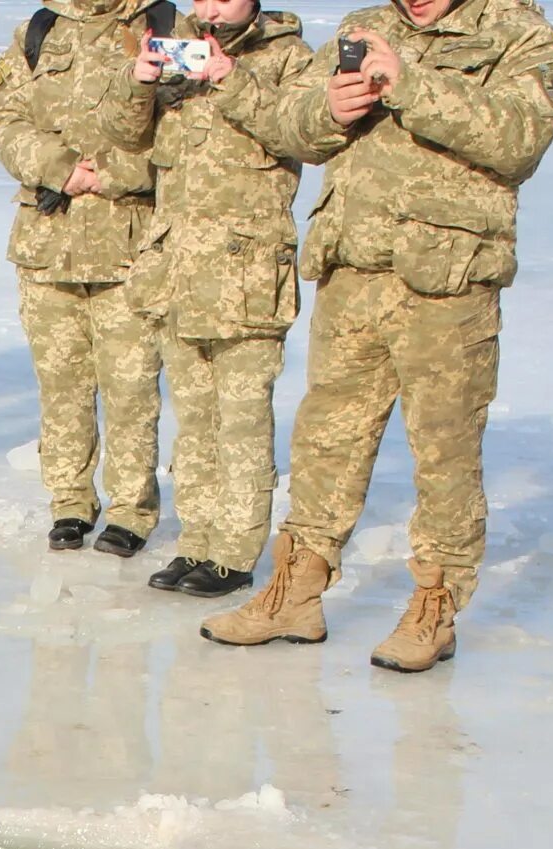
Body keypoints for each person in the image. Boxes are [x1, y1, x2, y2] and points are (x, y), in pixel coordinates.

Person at [199, 0, 553, 673]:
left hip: (448, 280)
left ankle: (434, 609)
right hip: (354, 269)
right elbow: (294, 127)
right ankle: (294, 595)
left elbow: (518, 142)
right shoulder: (363, 25)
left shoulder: (518, 32)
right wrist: (329, 111)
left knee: (445, 453)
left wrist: (410, 84)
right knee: (324, 441)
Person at [136, 0, 313, 598]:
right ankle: (196, 541)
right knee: (194, 420)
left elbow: (308, 134)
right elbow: (121, 136)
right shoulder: (170, 49)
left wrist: (232, 81)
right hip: (178, 270)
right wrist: (138, 84)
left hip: (246, 272)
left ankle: (234, 554)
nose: (211, 8)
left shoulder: (288, 56)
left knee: (240, 420)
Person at [0, 0, 168, 556]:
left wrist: (106, 174)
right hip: (48, 237)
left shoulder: (162, 27)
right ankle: (69, 501)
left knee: (131, 387)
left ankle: (131, 509)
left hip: (129, 241)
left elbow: (185, 132)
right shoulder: (39, 29)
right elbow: (5, 119)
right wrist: (59, 168)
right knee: (61, 383)